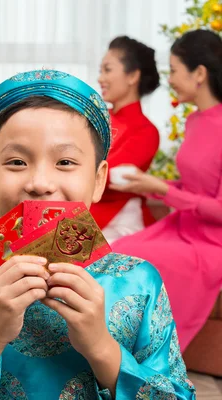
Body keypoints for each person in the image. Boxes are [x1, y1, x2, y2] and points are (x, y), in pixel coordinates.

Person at [0, 70, 195, 399]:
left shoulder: (140, 282)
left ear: (98, 180)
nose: (40, 182)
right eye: (16, 162)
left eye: (65, 161)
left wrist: (101, 347)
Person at [112, 29, 222, 351]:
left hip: (211, 242)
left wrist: (161, 189)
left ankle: (149, 354)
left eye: (174, 70)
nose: (169, 79)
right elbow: (192, 186)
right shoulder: (195, 121)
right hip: (183, 227)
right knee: (119, 250)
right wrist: (148, 187)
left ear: (199, 73)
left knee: (140, 260)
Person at [92, 36, 161, 243]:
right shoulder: (96, 118)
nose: (100, 78)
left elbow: (107, 178)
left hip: (119, 222)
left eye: (108, 69)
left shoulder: (146, 131)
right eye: (100, 71)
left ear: (132, 76)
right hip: (83, 213)